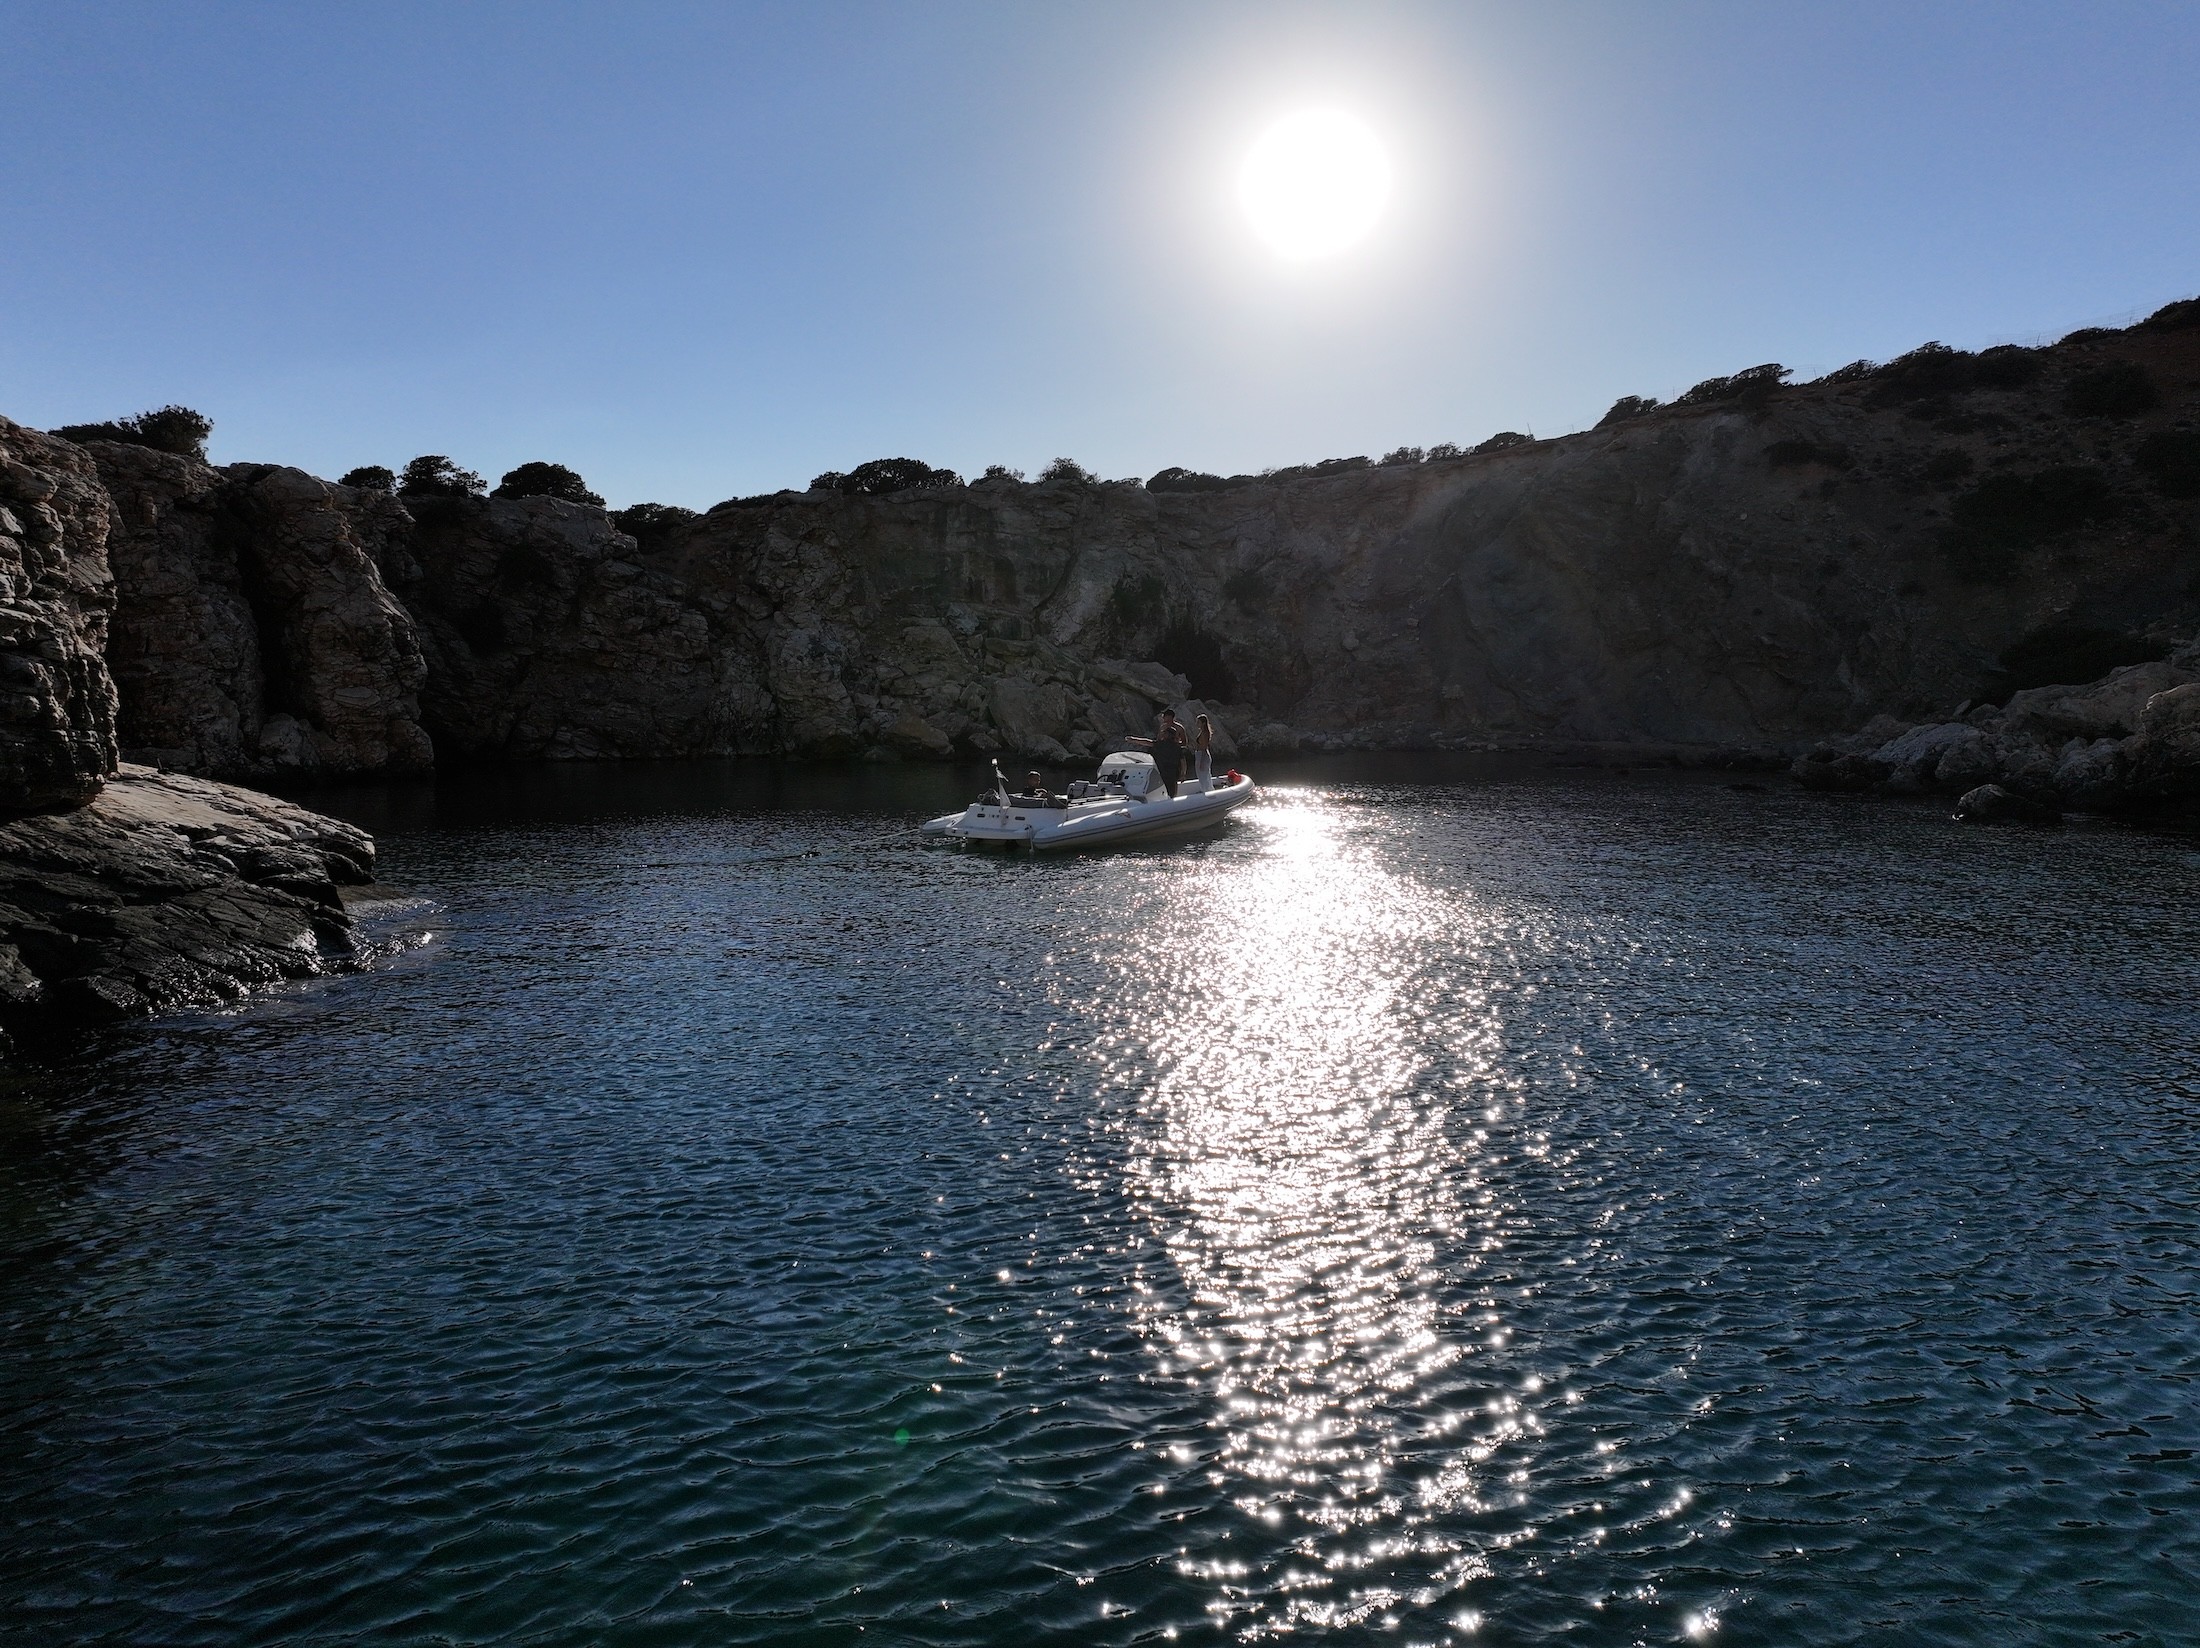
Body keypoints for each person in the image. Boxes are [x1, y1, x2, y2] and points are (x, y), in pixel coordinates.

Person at [1130, 710, 1188, 797]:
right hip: (1163, 757)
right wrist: (1134, 740)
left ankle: (1172, 797)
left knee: (1172, 779)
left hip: (1173, 758)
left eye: (1165, 716)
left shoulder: (1179, 728)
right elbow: (1154, 741)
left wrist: (1174, 745)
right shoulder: (1162, 727)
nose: (1164, 718)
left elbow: (1184, 744)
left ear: (1171, 717)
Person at [1193, 713, 1215, 787]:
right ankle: (1206, 789)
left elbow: (1204, 747)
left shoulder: (1205, 733)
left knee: (1203, 775)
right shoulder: (1202, 732)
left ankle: (1207, 790)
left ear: (1203, 723)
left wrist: (1201, 761)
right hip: (1200, 754)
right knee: (1202, 775)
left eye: (1198, 722)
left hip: (1202, 755)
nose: (1197, 724)